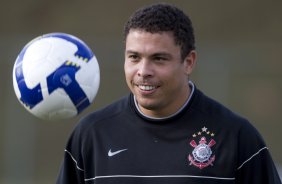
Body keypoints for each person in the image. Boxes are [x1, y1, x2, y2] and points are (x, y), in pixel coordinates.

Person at [56, 3, 281, 184]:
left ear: (188, 62)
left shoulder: (236, 136)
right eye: (134, 57)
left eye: (159, 59)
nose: (143, 71)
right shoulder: (92, 134)